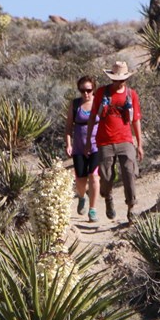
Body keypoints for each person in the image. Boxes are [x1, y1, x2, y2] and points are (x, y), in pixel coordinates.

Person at [85, 60, 144, 224]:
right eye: (115, 80)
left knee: (129, 172)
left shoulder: (131, 95)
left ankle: (131, 207)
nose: (118, 83)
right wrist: (89, 141)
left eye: (121, 80)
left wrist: (139, 143)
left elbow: (136, 120)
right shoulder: (102, 93)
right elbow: (92, 117)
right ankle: (108, 196)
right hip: (104, 141)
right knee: (106, 176)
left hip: (125, 140)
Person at [65, 75, 100, 222]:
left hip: (96, 146)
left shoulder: (98, 104)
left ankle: (93, 209)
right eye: (82, 90)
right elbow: (68, 127)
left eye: (89, 90)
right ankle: (81, 196)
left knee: (93, 175)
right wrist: (68, 144)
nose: (86, 93)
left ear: (94, 89)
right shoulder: (75, 105)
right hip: (79, 147)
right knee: (80, 178)